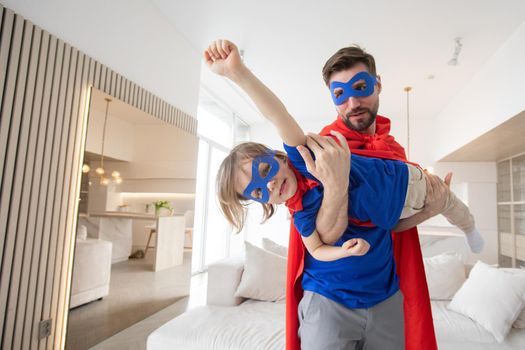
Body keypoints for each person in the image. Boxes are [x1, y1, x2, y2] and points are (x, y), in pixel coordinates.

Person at [204, 39, 483, 350]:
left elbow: (388, 224)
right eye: (340, 94)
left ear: (377, 85)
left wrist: (430, 210)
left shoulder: (392, 151)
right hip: (329, 301)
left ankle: (467, 223)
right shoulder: (320, 151)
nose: (352, 103)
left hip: (385, 298)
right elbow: (321, 240)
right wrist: (237, 73)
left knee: (447, 200)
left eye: (360, 88)